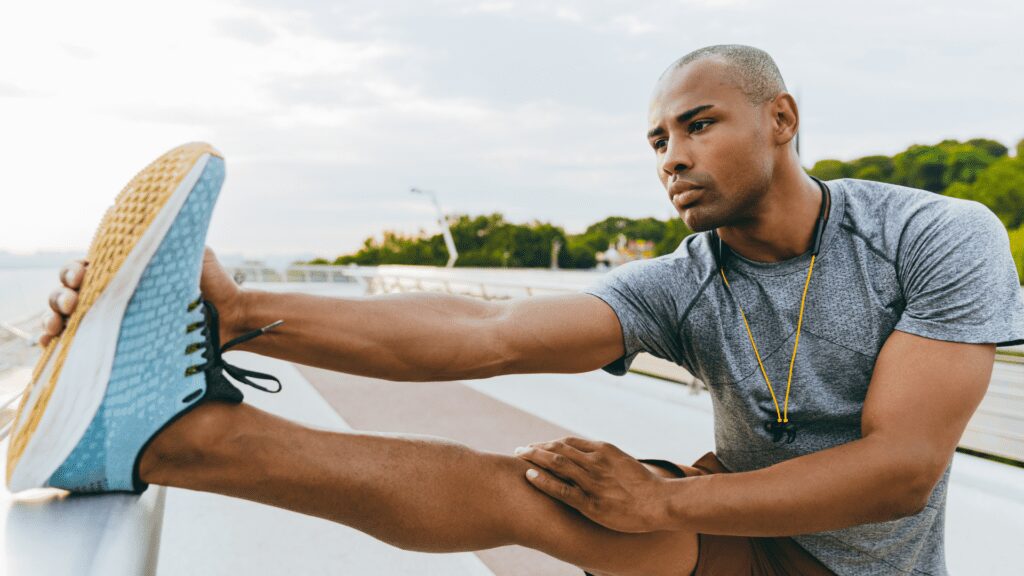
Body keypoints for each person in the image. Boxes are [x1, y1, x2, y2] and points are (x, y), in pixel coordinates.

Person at [34, 45, 1024, 575]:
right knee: (536, 489)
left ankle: (163, 433)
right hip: (735, 524)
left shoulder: (930, 235)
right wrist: (239, 308)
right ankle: (174, 441)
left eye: (698, 124)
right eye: (656, 140)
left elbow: (901, 472)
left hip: (847, 567)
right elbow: (485, 334)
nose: (672, 157)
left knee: (620, 498)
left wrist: (665, 502)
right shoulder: (683, 279)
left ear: (781, 119)